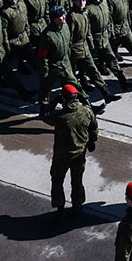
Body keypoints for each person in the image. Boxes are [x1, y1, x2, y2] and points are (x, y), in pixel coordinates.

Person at [45, 83, 98, 217]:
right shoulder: (87, 111)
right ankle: (77, 205)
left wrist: (53, 102)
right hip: (79, 155)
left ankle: (60, 207)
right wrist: (92, 142)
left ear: (63, 98)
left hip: (61, 156)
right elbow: (94, 128)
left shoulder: (59, 116)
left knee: (57, 180)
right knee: (77, 180)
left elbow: (44, 115)